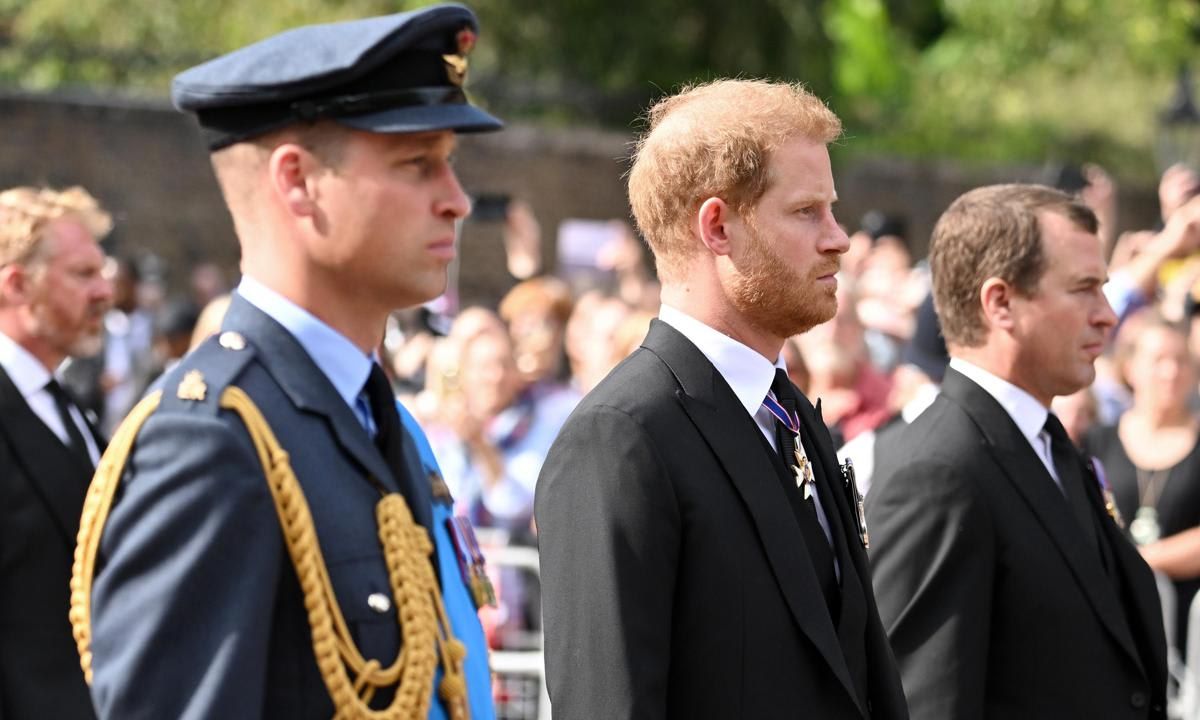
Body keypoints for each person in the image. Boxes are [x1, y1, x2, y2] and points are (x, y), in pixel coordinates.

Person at [75, 6, 502, 719]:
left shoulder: (377, 414)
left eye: (450, 165)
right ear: (297, 182)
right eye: (417, 164)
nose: (456, 201)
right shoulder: (212, 441)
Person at [535, 79, 908, 719]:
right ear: (717, 226)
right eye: (806, 211)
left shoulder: (789, 413)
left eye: (832, 209)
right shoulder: (622, 438)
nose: (838, 238)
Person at [865, 184, 1168, 719]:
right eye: (1083, 289)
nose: (1106, 315)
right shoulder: (939, 472)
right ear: (1000, 302)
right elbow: (929, 703)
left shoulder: (1048, 445)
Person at [0, 185, 112, 719]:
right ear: (18, 284)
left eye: (102, 271)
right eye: (83, 274)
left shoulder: (65, 404)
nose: (105, 292)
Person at [1086, 314, 1200, 655]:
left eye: (1180, 360)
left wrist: (1144, 561)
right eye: (1158, 360)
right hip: (1112, 618)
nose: (1171, 372)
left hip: (1187, 631)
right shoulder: (1097, 442)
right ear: (1130, 368)